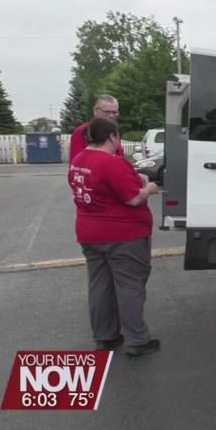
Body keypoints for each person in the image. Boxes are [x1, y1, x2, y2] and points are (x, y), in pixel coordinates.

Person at [69, 118, 161, 357]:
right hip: (123, 235)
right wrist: (149, 188)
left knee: (100, 286)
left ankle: (105, 336)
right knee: (130, 286)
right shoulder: (112, 163)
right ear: (112, 137)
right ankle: (138, 340)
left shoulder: (78, 161)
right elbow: (133, 198)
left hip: (90, 233)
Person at [69, 95, 125, 162]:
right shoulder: (82, 132)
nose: (111, 115)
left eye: (114, 112)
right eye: (107, 112)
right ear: (95, 111)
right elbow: (77, 164)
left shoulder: (114, 132)